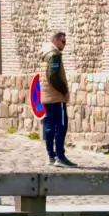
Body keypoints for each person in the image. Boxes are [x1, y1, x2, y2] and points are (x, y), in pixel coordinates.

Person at [38, 30, 71, 166]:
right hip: (56, 97)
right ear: (56, 41)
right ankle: (60, 157)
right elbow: (53, 76)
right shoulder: (54, 55)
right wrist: (63, 91)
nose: (65, 44)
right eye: (63, 41)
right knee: (61, 126)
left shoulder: (44, 54)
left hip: (46, 97)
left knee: (50, 127)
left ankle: (51, 156)